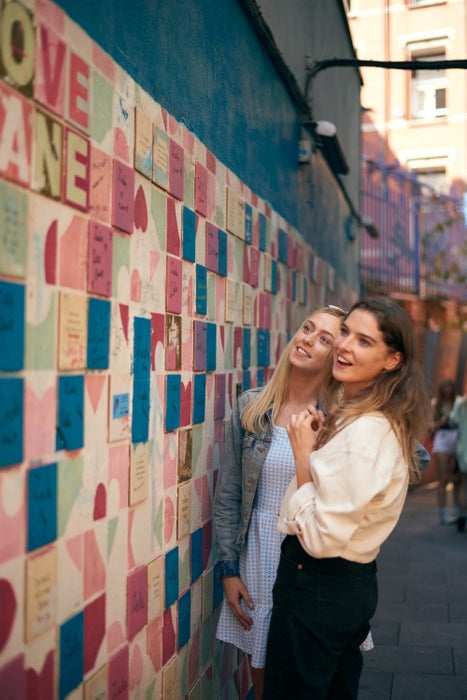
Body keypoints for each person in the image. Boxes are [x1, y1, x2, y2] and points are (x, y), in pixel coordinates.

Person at [263, 295, 431, 700]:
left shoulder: (366, 433)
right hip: (338, 589)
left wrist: (304, 454)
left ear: (392, 361)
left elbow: (320, 539)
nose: (343, 345)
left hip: (320, 584)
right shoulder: (360, 417)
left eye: (364, 341)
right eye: (345, 332)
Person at [214, 305, 347, 700]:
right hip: (258, 552)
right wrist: (227, 569)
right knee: (263, 677)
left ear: (335, 358)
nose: (308, 339)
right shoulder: (252, 408)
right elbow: (229, 496)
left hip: (310, 560)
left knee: (308, 676)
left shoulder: (340, 421)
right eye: (308, 329)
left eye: (324, 339)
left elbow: (412, 459)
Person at [430, 378, 460, 524]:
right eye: (444, 388)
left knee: (454, 477)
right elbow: (429, 426)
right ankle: (443, 512)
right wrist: (440, 422)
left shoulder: (459, 403)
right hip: (441, 437)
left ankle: (456, 510)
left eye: (449, 388)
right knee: (442, 479)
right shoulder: (436, 404)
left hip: (457, 438)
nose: (447, 391)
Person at [449, 392, 467, 532]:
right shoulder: (461, 403)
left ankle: (462, 515)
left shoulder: (461, 404)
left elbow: (453, 420)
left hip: (464, 450)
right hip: (463, 449)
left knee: (463, 486)